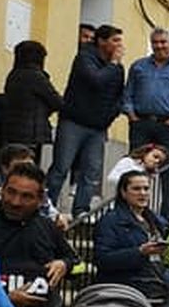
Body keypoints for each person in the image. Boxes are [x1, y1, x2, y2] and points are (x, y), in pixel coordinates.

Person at [48, 23, 125, 216]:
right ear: (102, 41)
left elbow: (119, 95)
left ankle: (81, 210)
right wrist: (113, 64)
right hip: (74, 122)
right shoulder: (85, 58)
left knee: (91, 172)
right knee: (61, 168)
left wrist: (110, 115)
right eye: (115, 41)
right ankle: (46, 206)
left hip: (98, 127)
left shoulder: (118, 68)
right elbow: (95, 80)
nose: (119, 46)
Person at [122, 29, 169, 216]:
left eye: (163, 42)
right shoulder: (138, 66)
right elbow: (128, 92)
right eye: (155, 42)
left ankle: (167, 217)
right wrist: (130, 113)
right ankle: (129, 210)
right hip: (141, 123)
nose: (159, 46)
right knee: (134, 169)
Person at [0, 162, 74, 307]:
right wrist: (5, 302)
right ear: (2, 190)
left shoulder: (48, 227)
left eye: (26, 196)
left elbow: (78, 264)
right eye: (11, 192)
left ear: (40, 200)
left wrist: (64, 264)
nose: (15, 202)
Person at [93, 171, 169, 301]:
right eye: (136, 189)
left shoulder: (157, 221)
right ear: (123, 193)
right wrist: (139, 252)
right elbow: (102, 259)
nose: (142, 193)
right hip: (127, 291)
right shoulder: (111, 221)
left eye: (146, 189)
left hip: (158, 287)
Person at [0, 41, 63, 165]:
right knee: (28, 169)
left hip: (11, 131)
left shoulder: (13, 75)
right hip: (31, 133)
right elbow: (57, 101)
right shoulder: (36, 76)